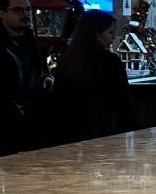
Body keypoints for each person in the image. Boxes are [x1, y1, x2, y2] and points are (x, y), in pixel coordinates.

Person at [50, 9, 136, 144]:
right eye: (110, 32)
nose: (113, 37)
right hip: (103, 132)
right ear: (96, 34)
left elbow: (58, 102)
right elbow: (123, 103)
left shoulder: (67, 60)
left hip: (70, 134)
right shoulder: (110, 61)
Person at [0, 0, 45, 157]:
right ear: (2, 13)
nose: (25, 14)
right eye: (18, 10)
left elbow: (37, 72)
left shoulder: (32, 41)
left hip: (33, 119)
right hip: (3, 122)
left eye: (28, 10)